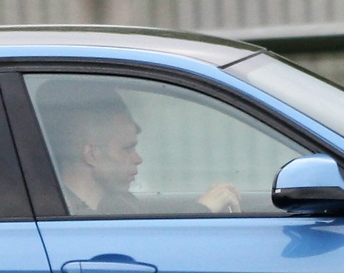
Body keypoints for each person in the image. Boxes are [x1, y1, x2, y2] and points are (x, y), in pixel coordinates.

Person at [36, 83, 244, 216]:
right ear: (92, 154)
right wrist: (201, 211)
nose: (138, 159)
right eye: (127, 149)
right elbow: (153, 251)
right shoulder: (56, 216)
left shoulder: (121, 205)